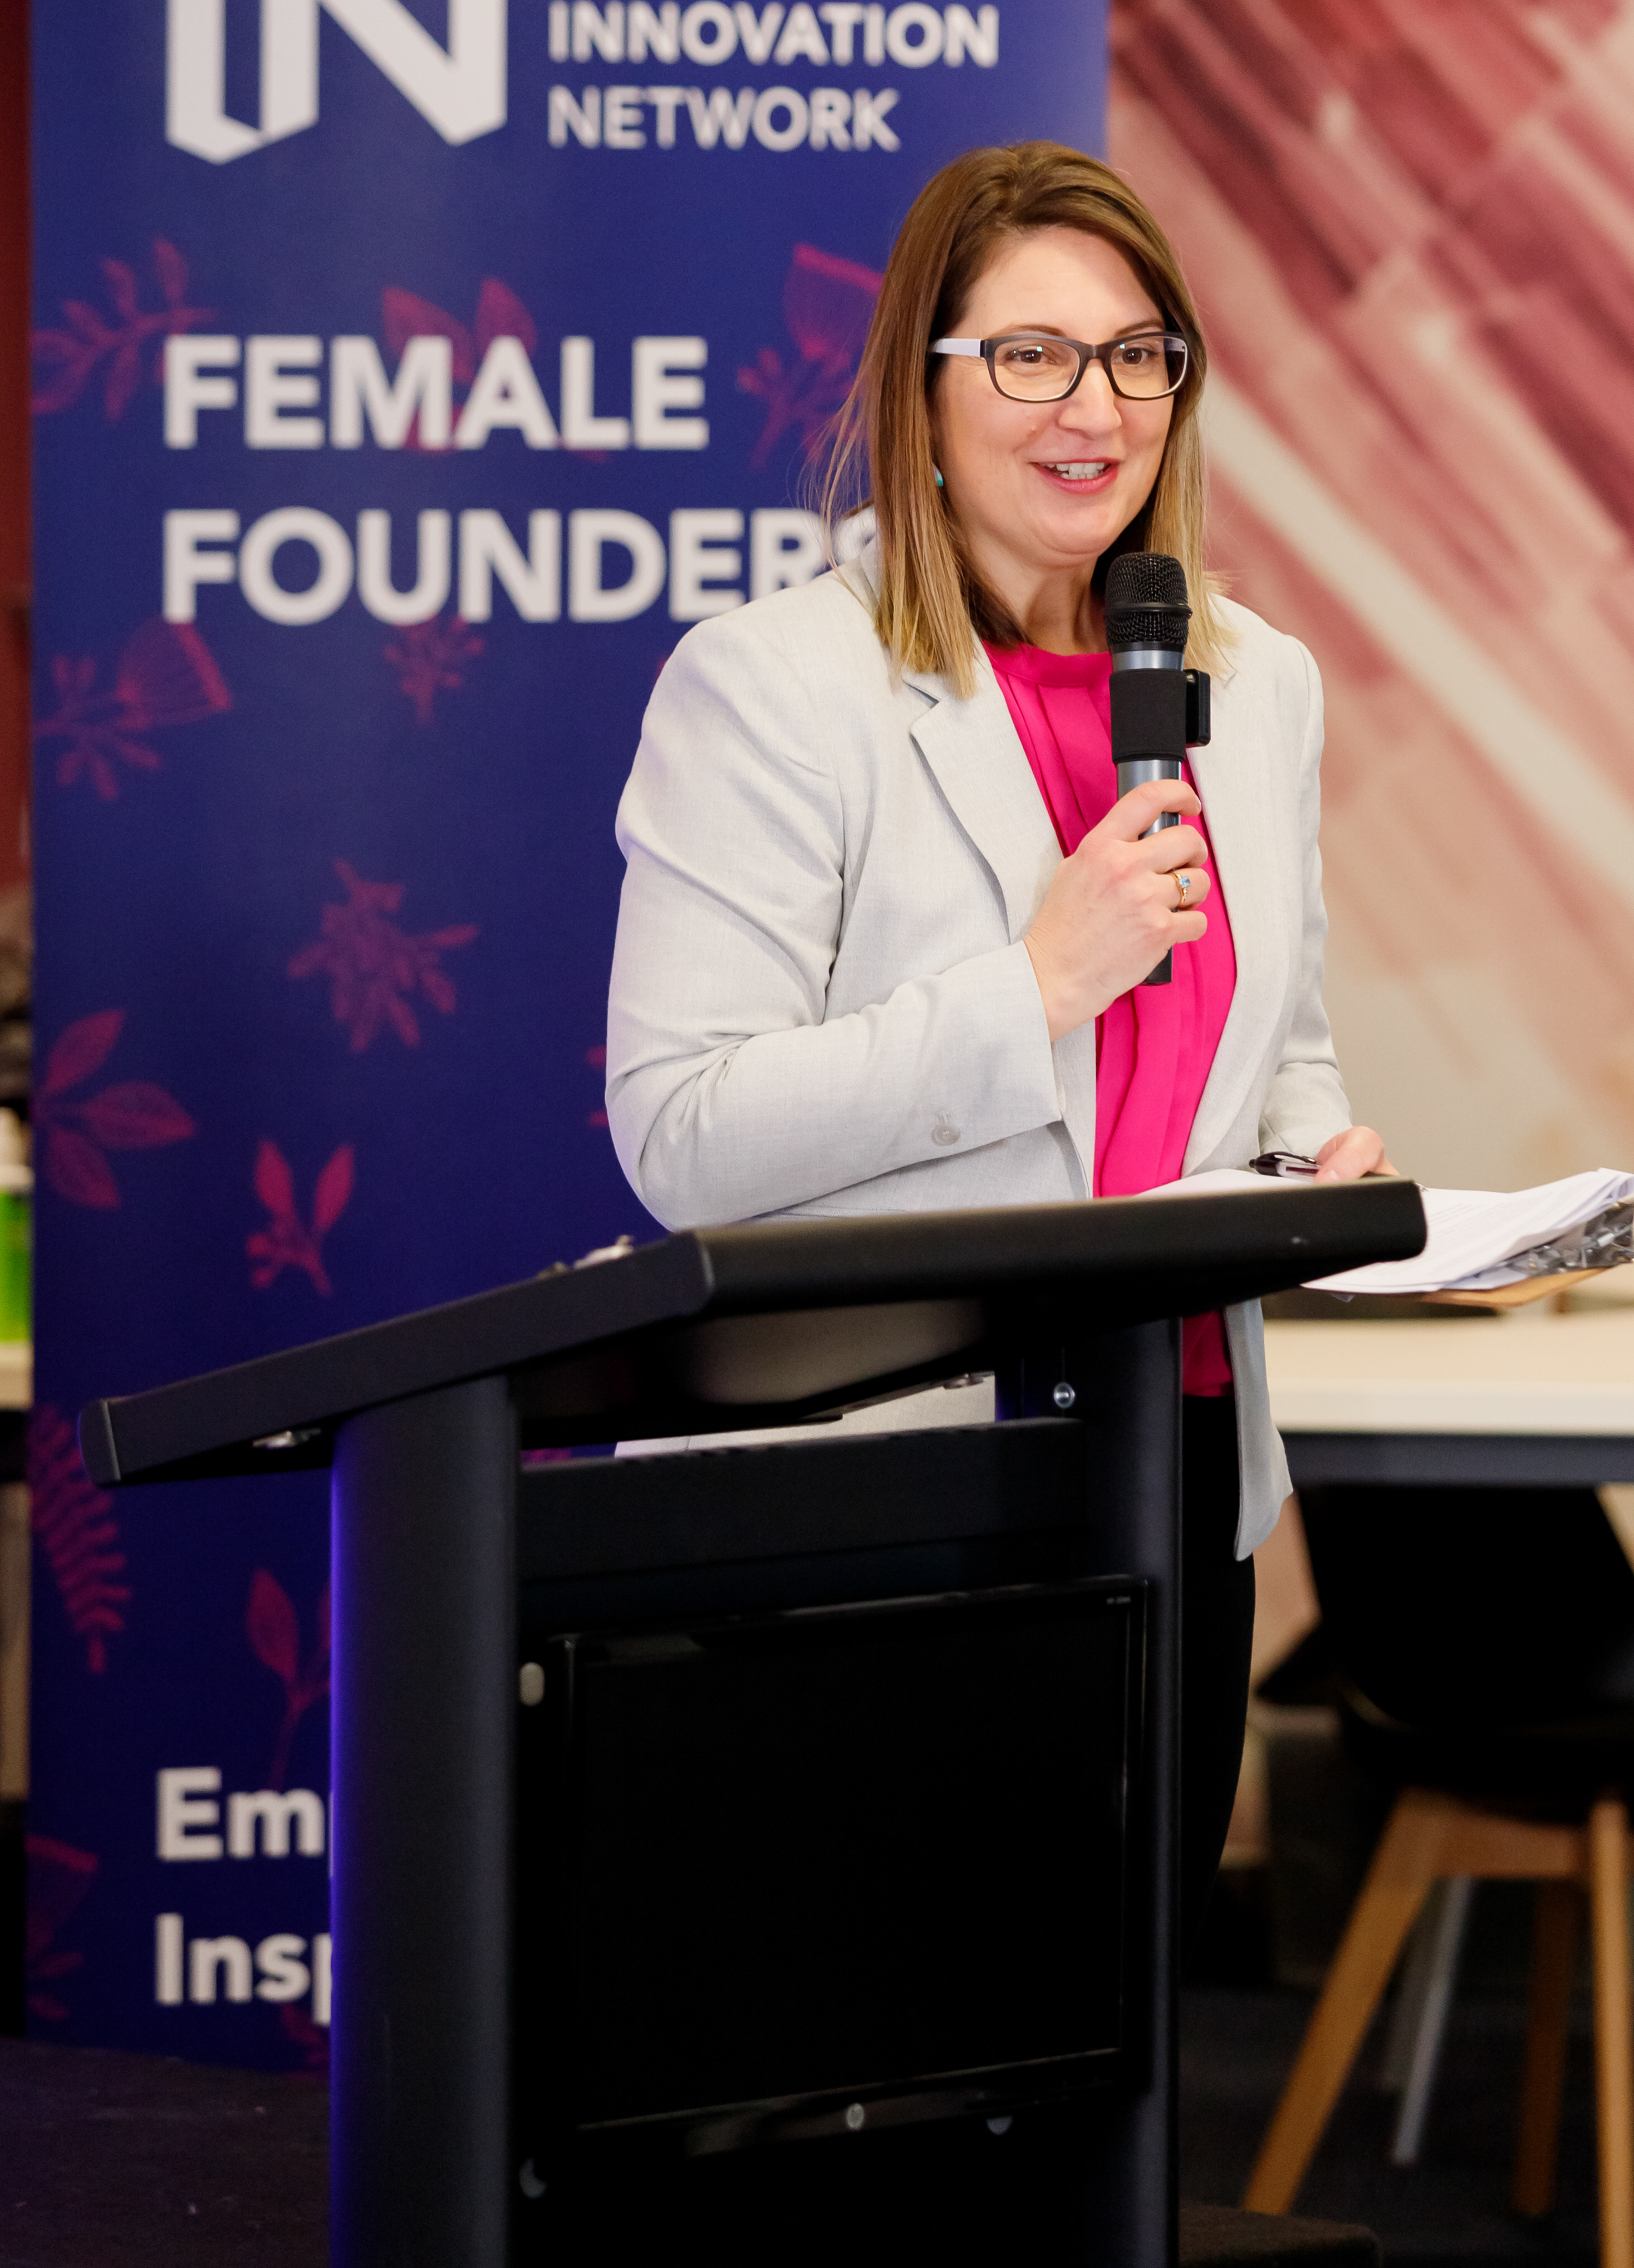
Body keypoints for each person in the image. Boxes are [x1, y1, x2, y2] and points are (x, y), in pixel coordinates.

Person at [605, 139, 1391, 1933]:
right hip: (892, 1467)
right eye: (1029, 355)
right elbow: (680, 1132)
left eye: (1136, 356)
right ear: (925, 387)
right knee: (888, 2040)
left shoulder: (1253, 685)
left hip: (1176, 1449)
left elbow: (1283, 1047)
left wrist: (1313, 1163)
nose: (1091, 407)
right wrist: (1032, 985)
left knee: (1116, 2062)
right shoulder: (774, 687)